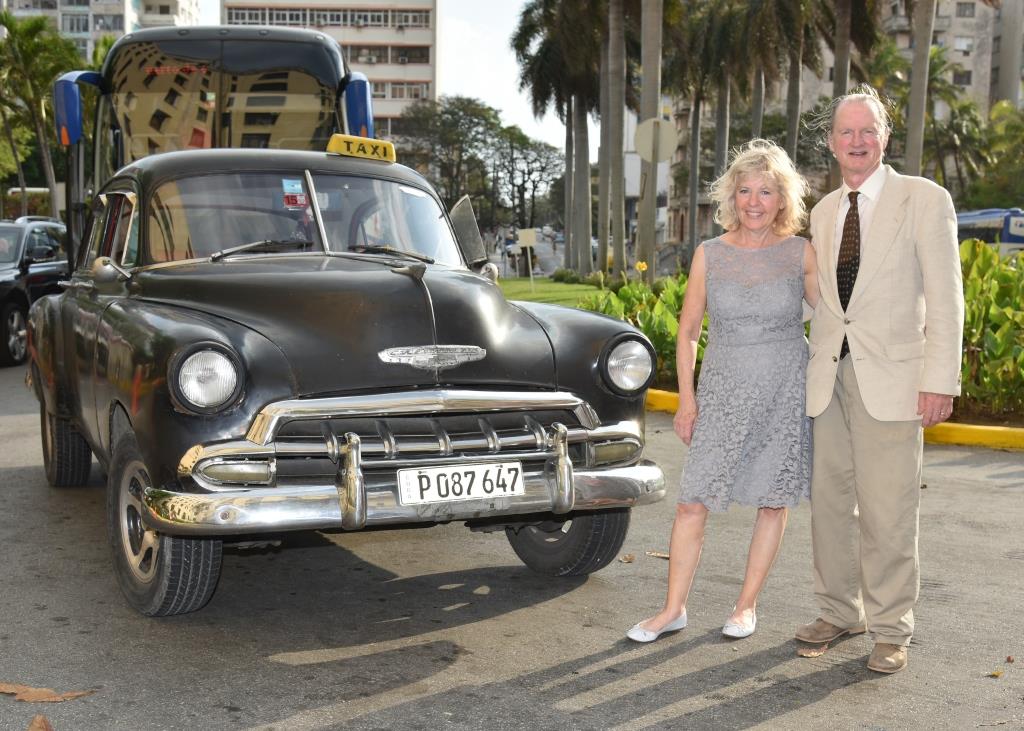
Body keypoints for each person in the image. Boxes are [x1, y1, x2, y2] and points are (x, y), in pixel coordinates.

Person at [794, 86, 964, 674]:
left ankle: (892, 628)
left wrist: (939, 378)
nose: (858, 141)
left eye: (868, 131)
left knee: (889, 510)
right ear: (833, 142)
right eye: (846, 132)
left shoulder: (924, 199)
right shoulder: (823, 211)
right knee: (830, 505)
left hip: (894, 380)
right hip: (829, 378)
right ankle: (840, 610)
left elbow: (947, 299)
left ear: (884, 138)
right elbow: (823, 304)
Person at [627, 140, 818, 643]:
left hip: (785, 389)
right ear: (731, 197)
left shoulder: (801, 253)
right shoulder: (709, 254)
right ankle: (673, 609)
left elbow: (832, 321)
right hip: (723, 389)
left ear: (783, 199)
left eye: (767, 191)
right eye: (745, 190)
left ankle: (746, 605)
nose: (754, 201)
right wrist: (687, 401)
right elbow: (688, 332)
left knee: (772, 502)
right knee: (693, 501)